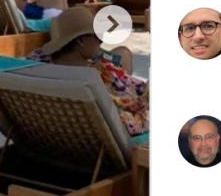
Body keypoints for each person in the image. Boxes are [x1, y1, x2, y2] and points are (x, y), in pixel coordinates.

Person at [27, 7, 148, 137]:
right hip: (94, 135)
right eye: (97, 36)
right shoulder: (99, 75)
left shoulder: (36, 63)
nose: (101, 41)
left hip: (51, 132)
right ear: (81, 41)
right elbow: (137, 103)